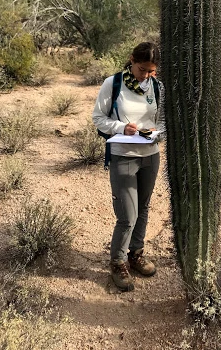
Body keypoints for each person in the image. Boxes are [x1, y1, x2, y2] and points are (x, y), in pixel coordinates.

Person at [92, 42, 165, 291]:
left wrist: (158, 133)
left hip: (150, 155)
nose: (146, 76)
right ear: (131, 60)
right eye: (143, 69)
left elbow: (163, 119)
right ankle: (117, 261)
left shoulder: (157, 87)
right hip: (123, 154)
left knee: (143, 208)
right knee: (127, 215)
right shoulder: (113, 84)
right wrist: (121, 128)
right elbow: (99, 118)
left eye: (151, 71)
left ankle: (136, 253)